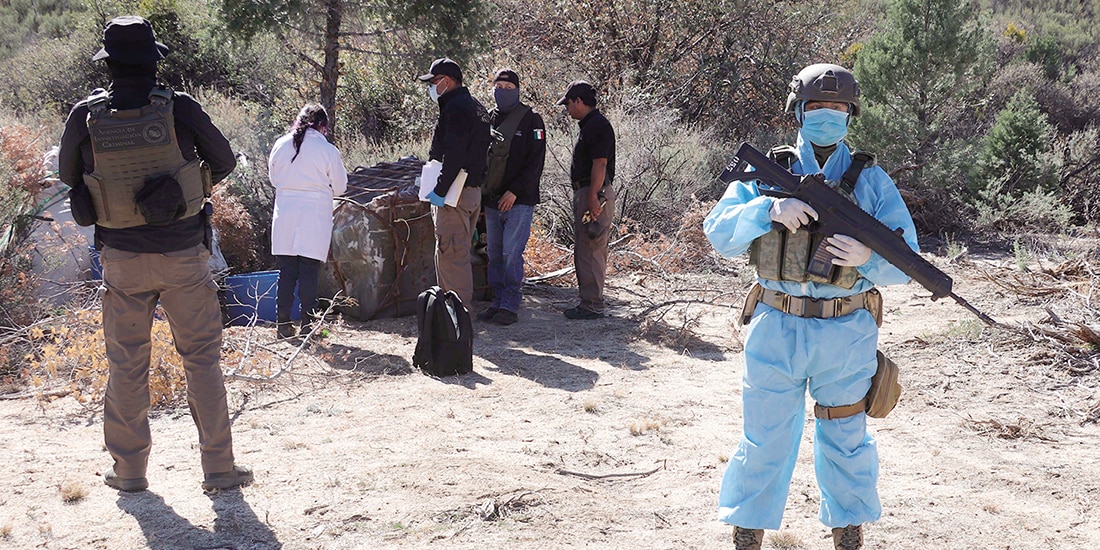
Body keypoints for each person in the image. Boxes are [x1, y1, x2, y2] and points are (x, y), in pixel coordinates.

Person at [703, 63, 920, 550]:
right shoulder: (769, 172)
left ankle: (847, 528)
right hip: (776, 320)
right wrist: (767, 210)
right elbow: (718, 230)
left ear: (851, 115)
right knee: (764, 437)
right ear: (798, 112)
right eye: (817, 107)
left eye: (838, 108)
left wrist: (870, 257)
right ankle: (748, 530)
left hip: (846, 329)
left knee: (845, 437)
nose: (827, 115)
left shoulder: (872, 181)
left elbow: (909, 261)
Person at [58, 15, 251, 492]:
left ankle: (128, 473)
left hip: (121, 258)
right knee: (201, 360)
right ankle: (219, 471)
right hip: (184, 254)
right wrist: (182, 189)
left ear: (109, 64)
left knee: (127, 364)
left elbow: (67, 175)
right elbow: (225, 160)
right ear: (152, 59)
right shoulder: (179, 107)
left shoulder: (86, 114)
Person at [268, 103, 348, 338]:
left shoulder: (280, 144)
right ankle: (308, 325)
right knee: (309, 272)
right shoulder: (327, 150)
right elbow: (341, 187)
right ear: (323, 125)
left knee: (287, 271)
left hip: (285, 214)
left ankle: (282, 324)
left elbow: (274, 179)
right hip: (314, 216)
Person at [417, 57, 490, 306]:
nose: (431, 88)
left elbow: (455, 155)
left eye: (434, 82)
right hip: (470, 192)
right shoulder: (476, 107)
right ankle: (453, 317)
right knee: (457, 255)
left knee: (452, 257)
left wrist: (439, 189)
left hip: (454, 195)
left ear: (446, 82)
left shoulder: (456, 108)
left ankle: (457, 321)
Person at [476, 69, 546, 326]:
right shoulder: (489, 118)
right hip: (492, 199)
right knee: (494, 253)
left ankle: (510, 304)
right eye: (499, 86)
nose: (502, 91)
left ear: (517, 89)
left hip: (519, 201)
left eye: (508, 87)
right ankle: (497, 301)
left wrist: (515, 191)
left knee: (511, 254)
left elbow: (535, 162)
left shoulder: (532, 120)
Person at [557, 81, 616, 320]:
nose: (568, 109)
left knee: (590, 247)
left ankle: (592, 305)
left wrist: (592, 196)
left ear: (578, 101)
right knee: (586, 246)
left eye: (569, 104)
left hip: (594, 193)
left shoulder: (597, 126)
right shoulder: (590, 125)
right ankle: (589, 302)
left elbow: (600, 163)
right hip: (591, 192)